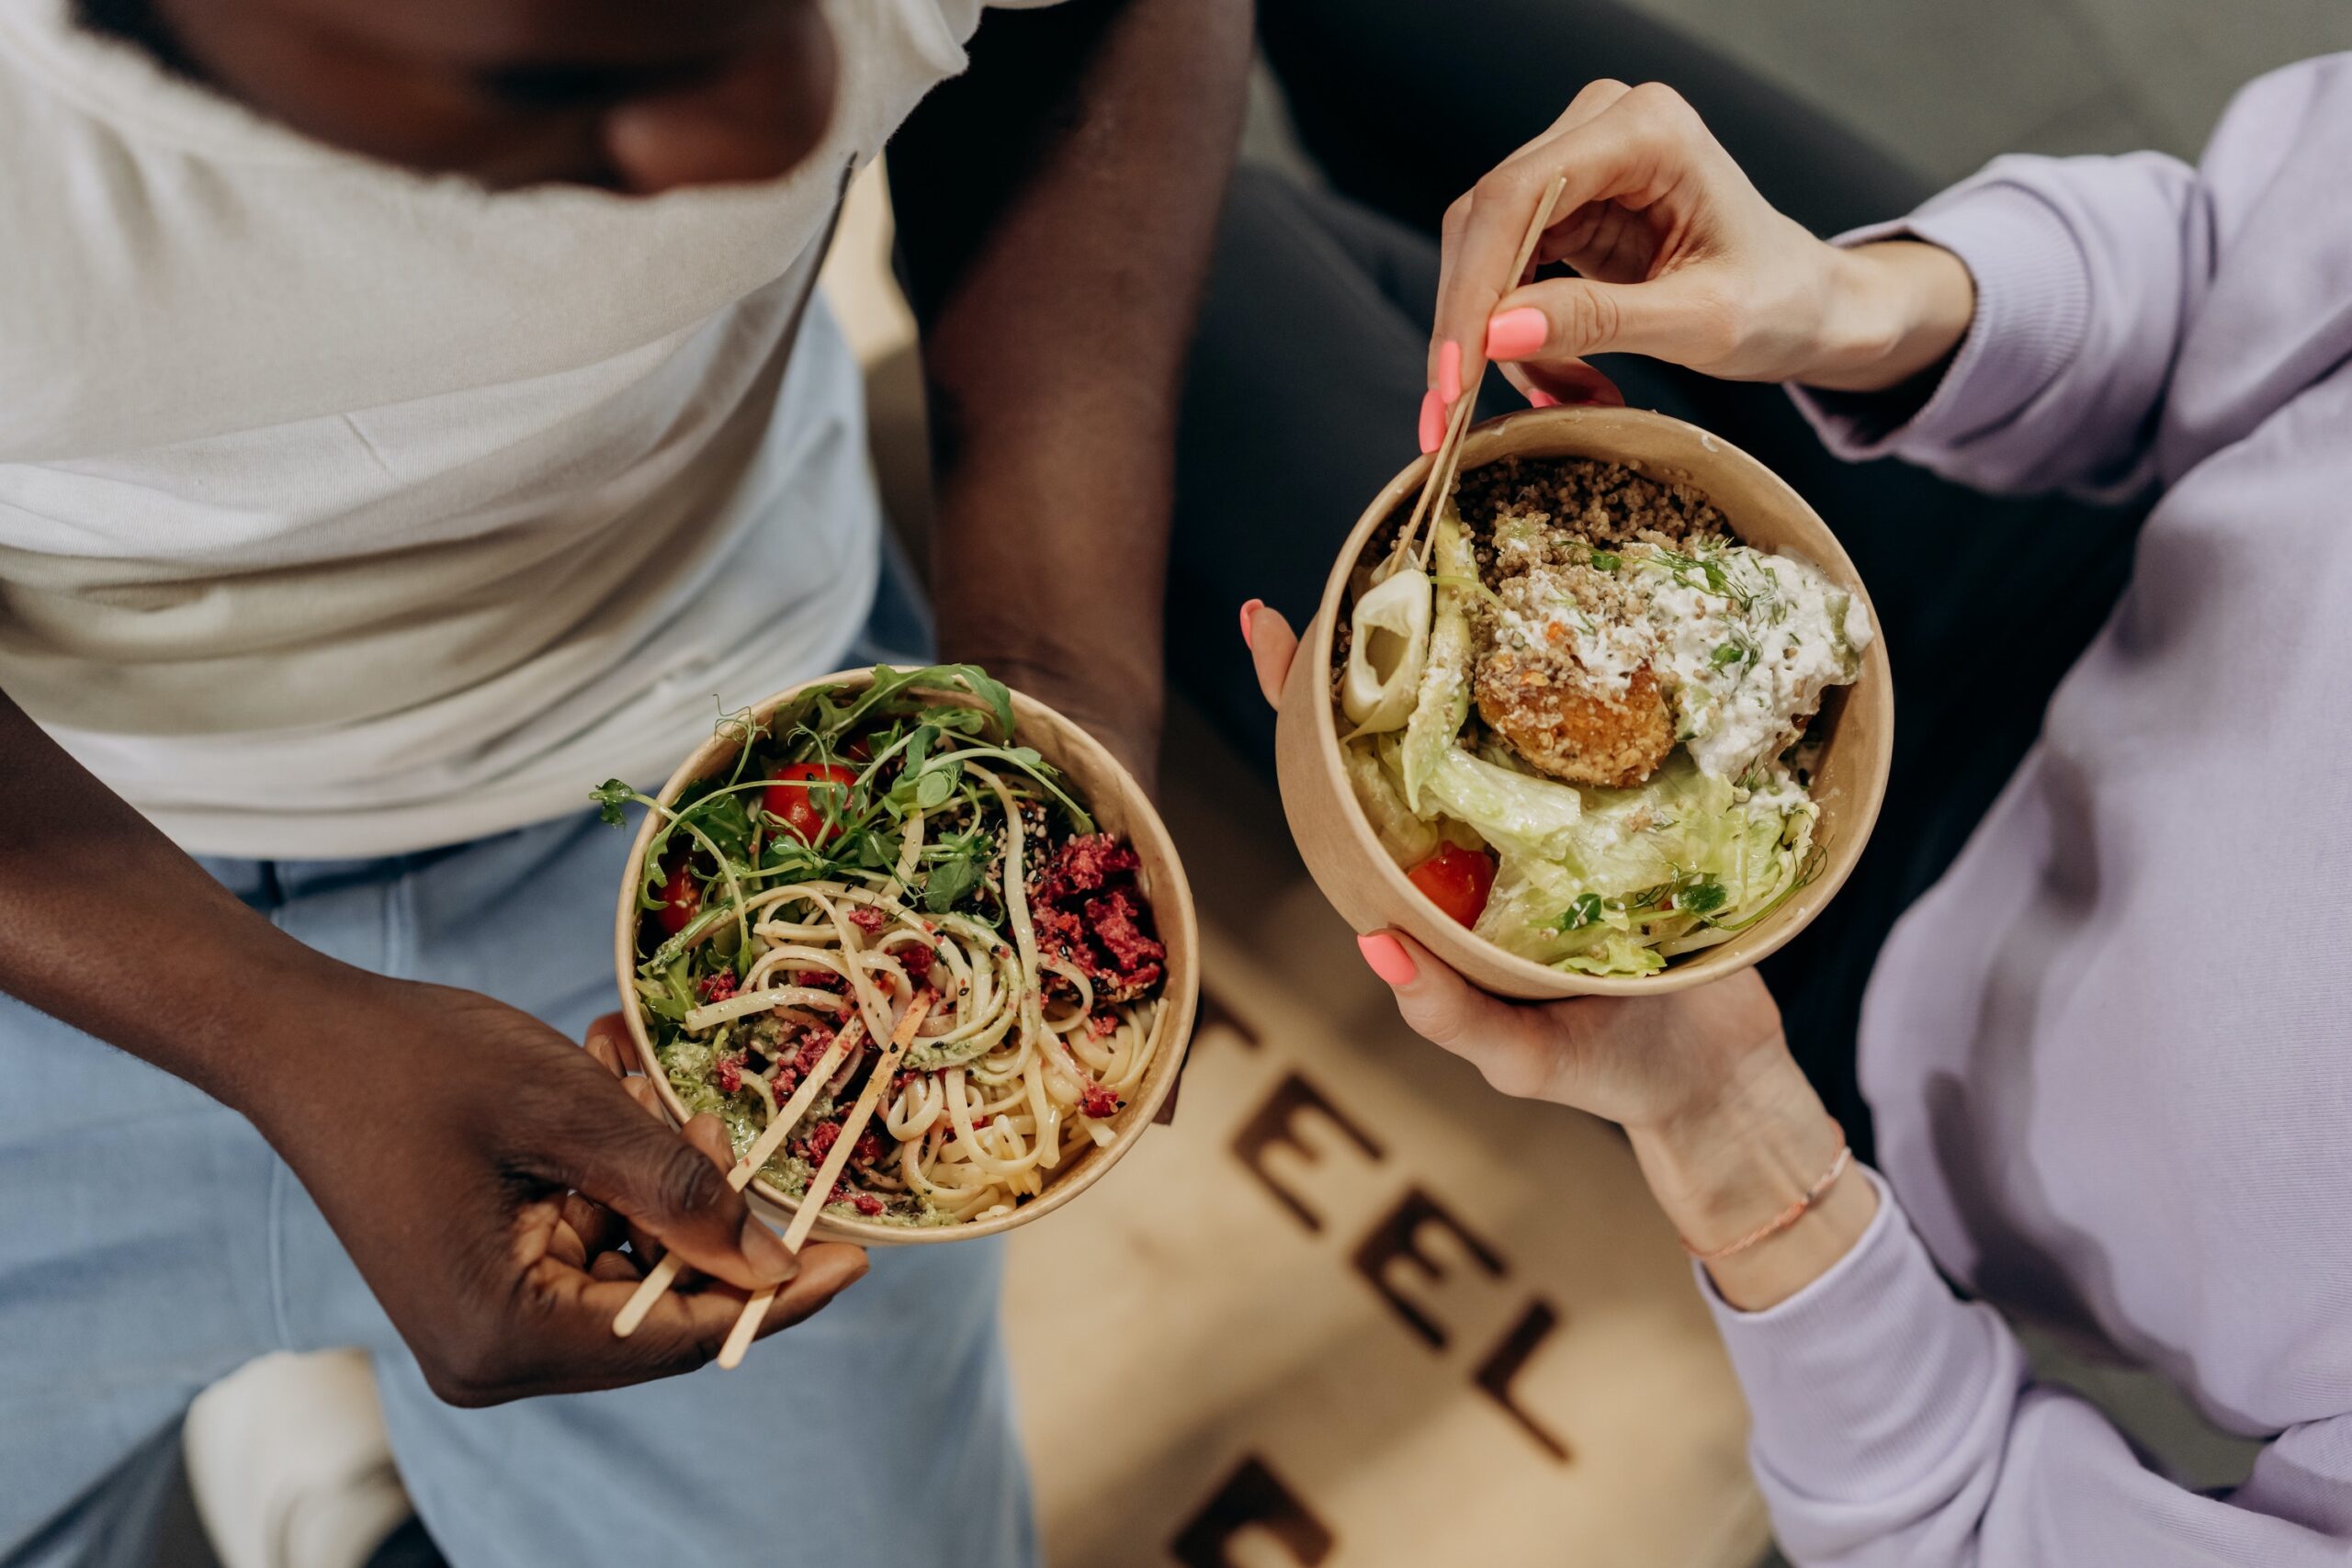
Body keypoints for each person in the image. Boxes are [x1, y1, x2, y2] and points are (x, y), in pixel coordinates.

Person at [0, 0, 1246, 1563]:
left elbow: (1085, 34)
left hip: (705, 735)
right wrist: (263, 1027)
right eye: (557, 73)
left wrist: (1059, 685)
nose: (783, 140)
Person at [1225, 28, 2352, 1568]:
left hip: (1841, 1027)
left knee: (1165, 275)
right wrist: (1859, 303)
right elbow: (2249, 256)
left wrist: (1732, 1136)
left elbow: (1966, 1531)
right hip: (2048, 512)